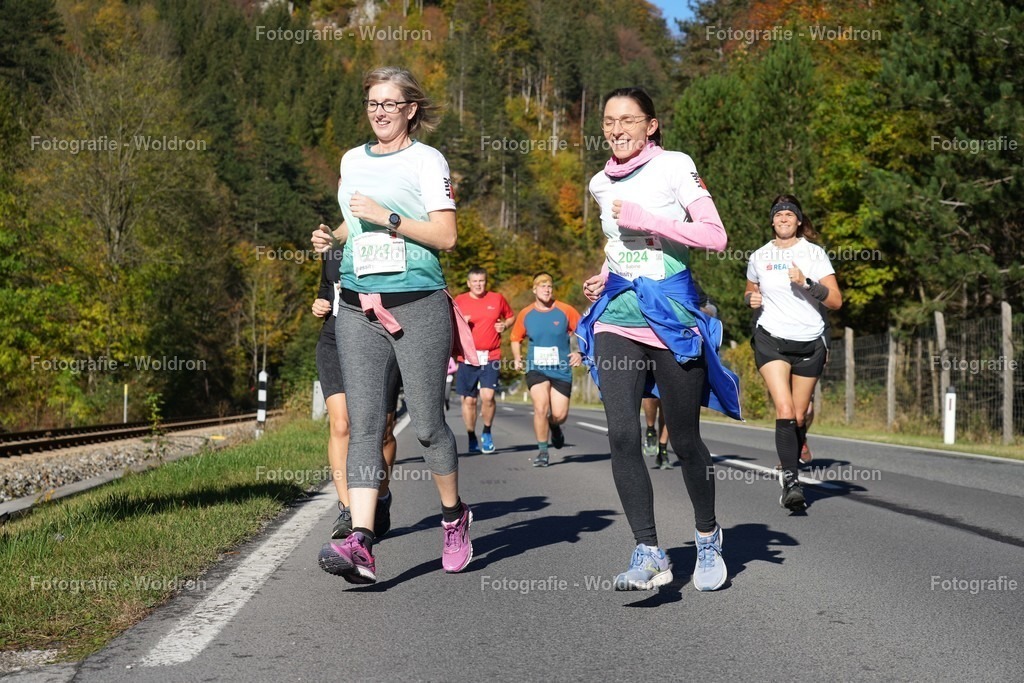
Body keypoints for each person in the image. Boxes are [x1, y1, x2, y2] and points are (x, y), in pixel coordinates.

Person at [311, 66, 475, 584]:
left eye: (390, 103)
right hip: (359, 306)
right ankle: (360, 541)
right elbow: (353, 222)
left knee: (426, 425)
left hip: (418, 302)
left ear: (410, 110)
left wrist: (389, 217)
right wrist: (332, 237)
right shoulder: (351, 159)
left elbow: (446, 236)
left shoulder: (429, 161)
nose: (379, 111)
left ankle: (453, 517)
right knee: (365, 425)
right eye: (372, 103)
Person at [577, 86, 741, 592]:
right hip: (616, 316)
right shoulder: (600, 182)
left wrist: (647, 219)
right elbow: (622, 245)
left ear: (650, 125)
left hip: (670, 318)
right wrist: (603, 274)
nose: (617, 128)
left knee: (686, 439)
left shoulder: (674, 165)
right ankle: (649, 551)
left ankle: (708, 537)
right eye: (609, 120)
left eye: (629, 119)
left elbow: (715, 236)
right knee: (623, 435)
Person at [743, 194, 842, 512]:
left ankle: (792, 456)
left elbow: (836, 301)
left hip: (810, 341)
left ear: (799, 220)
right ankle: (791, 483)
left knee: (800, 416)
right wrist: (750, 300)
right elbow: (750, 290)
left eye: (789, 214)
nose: (784, 219)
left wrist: (808, 282)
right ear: (771, 221)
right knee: (784, 409)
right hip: (771, 339)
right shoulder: (759, 256)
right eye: (778, 215)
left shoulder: (814, 254)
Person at [311, 242, 401, 540]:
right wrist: (320, 304)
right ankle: (348, 510)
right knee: (341, 424)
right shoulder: (332, 249)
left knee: (384, 430)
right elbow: (328, 290)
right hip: (335, 338)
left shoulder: (390, 243)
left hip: (379, 338)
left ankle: (382, 496)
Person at [642, 279, 718, 469]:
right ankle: (651, 429)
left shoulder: (686, 280)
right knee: (652, 397)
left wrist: (698, 312)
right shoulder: (644, 277)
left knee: (669, 402)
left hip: (677, 346)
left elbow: (710, 308)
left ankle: (663, 449)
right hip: (649, 343)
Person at [510, 273, 582, 468]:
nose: (547, 289)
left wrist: (580, 353)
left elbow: (585, 331)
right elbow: (515, 338)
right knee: (540, 407)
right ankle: (542, 451)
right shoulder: (526, 314)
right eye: (542, 286)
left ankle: (555, 425)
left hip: (561, 368)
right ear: (534, 290)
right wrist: (517, 358)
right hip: (536, 368)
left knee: (559, 415)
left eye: (549, 286)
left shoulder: (565, 310)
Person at [453, 268, 515, 454]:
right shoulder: (460, 300)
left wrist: (504, 325)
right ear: (468, 283)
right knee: (469, 401)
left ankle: (487, 432)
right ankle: (471, 435)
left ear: (486, 282)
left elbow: (511, 317)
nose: (479, 284)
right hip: (467, 356)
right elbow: (448, 323)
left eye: (482, 281)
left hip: (491, 355)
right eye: (475, 281)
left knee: (488, 397)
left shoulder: (497, 298)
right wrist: (460, 321)